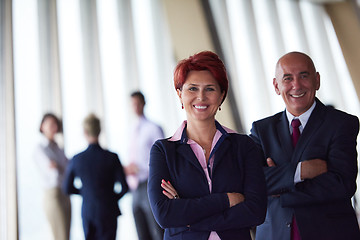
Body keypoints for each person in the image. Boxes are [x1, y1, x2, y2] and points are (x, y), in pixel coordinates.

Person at [148, 51, 267, 240]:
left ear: (221, 96)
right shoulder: (163, 151)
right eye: (192, 89)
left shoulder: (244, 145)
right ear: (180, 95)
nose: (201, 97)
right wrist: (227, 199)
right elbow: (164, 214)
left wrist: (186, 215)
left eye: (210, 89)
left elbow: (255, 211)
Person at [250, 51, 360, 240]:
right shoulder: (261, 130)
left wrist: (281, 190)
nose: (296, 85)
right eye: (288, 78)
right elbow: (250, 181)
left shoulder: (341, 123)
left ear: (317, 80)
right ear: (276, 86)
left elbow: (342, 184)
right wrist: (301, 171)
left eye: (304, 76)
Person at [63, 113, 129, 240]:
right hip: (108, 209)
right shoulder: (112, 157)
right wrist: (111, 198)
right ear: (99, 130)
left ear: (85, 132)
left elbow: (67, 188)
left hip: (88, 209)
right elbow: (125, 188)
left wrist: (86, 192)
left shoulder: (77, 159)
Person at [124, 91, 164, 240]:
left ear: (143, 104)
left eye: (137, 103)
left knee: (157, 229)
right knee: (141, 232)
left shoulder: (153, 128)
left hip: (149, 183)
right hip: (134, 187)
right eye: (132, 104)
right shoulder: (130, 130)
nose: (135, 107)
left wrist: (140, 168)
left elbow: (161, 160)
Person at [34, 113, 71, 240]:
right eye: (49, 124)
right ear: (42, 126)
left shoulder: (58, 147)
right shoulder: (40, 148)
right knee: (60, 235)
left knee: (66, 235)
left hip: (65, 193)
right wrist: (61, 167)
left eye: (55, 124)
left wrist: (59, 166)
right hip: (53, 195)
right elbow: (54, 172)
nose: (52, 127)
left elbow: (68, 169)